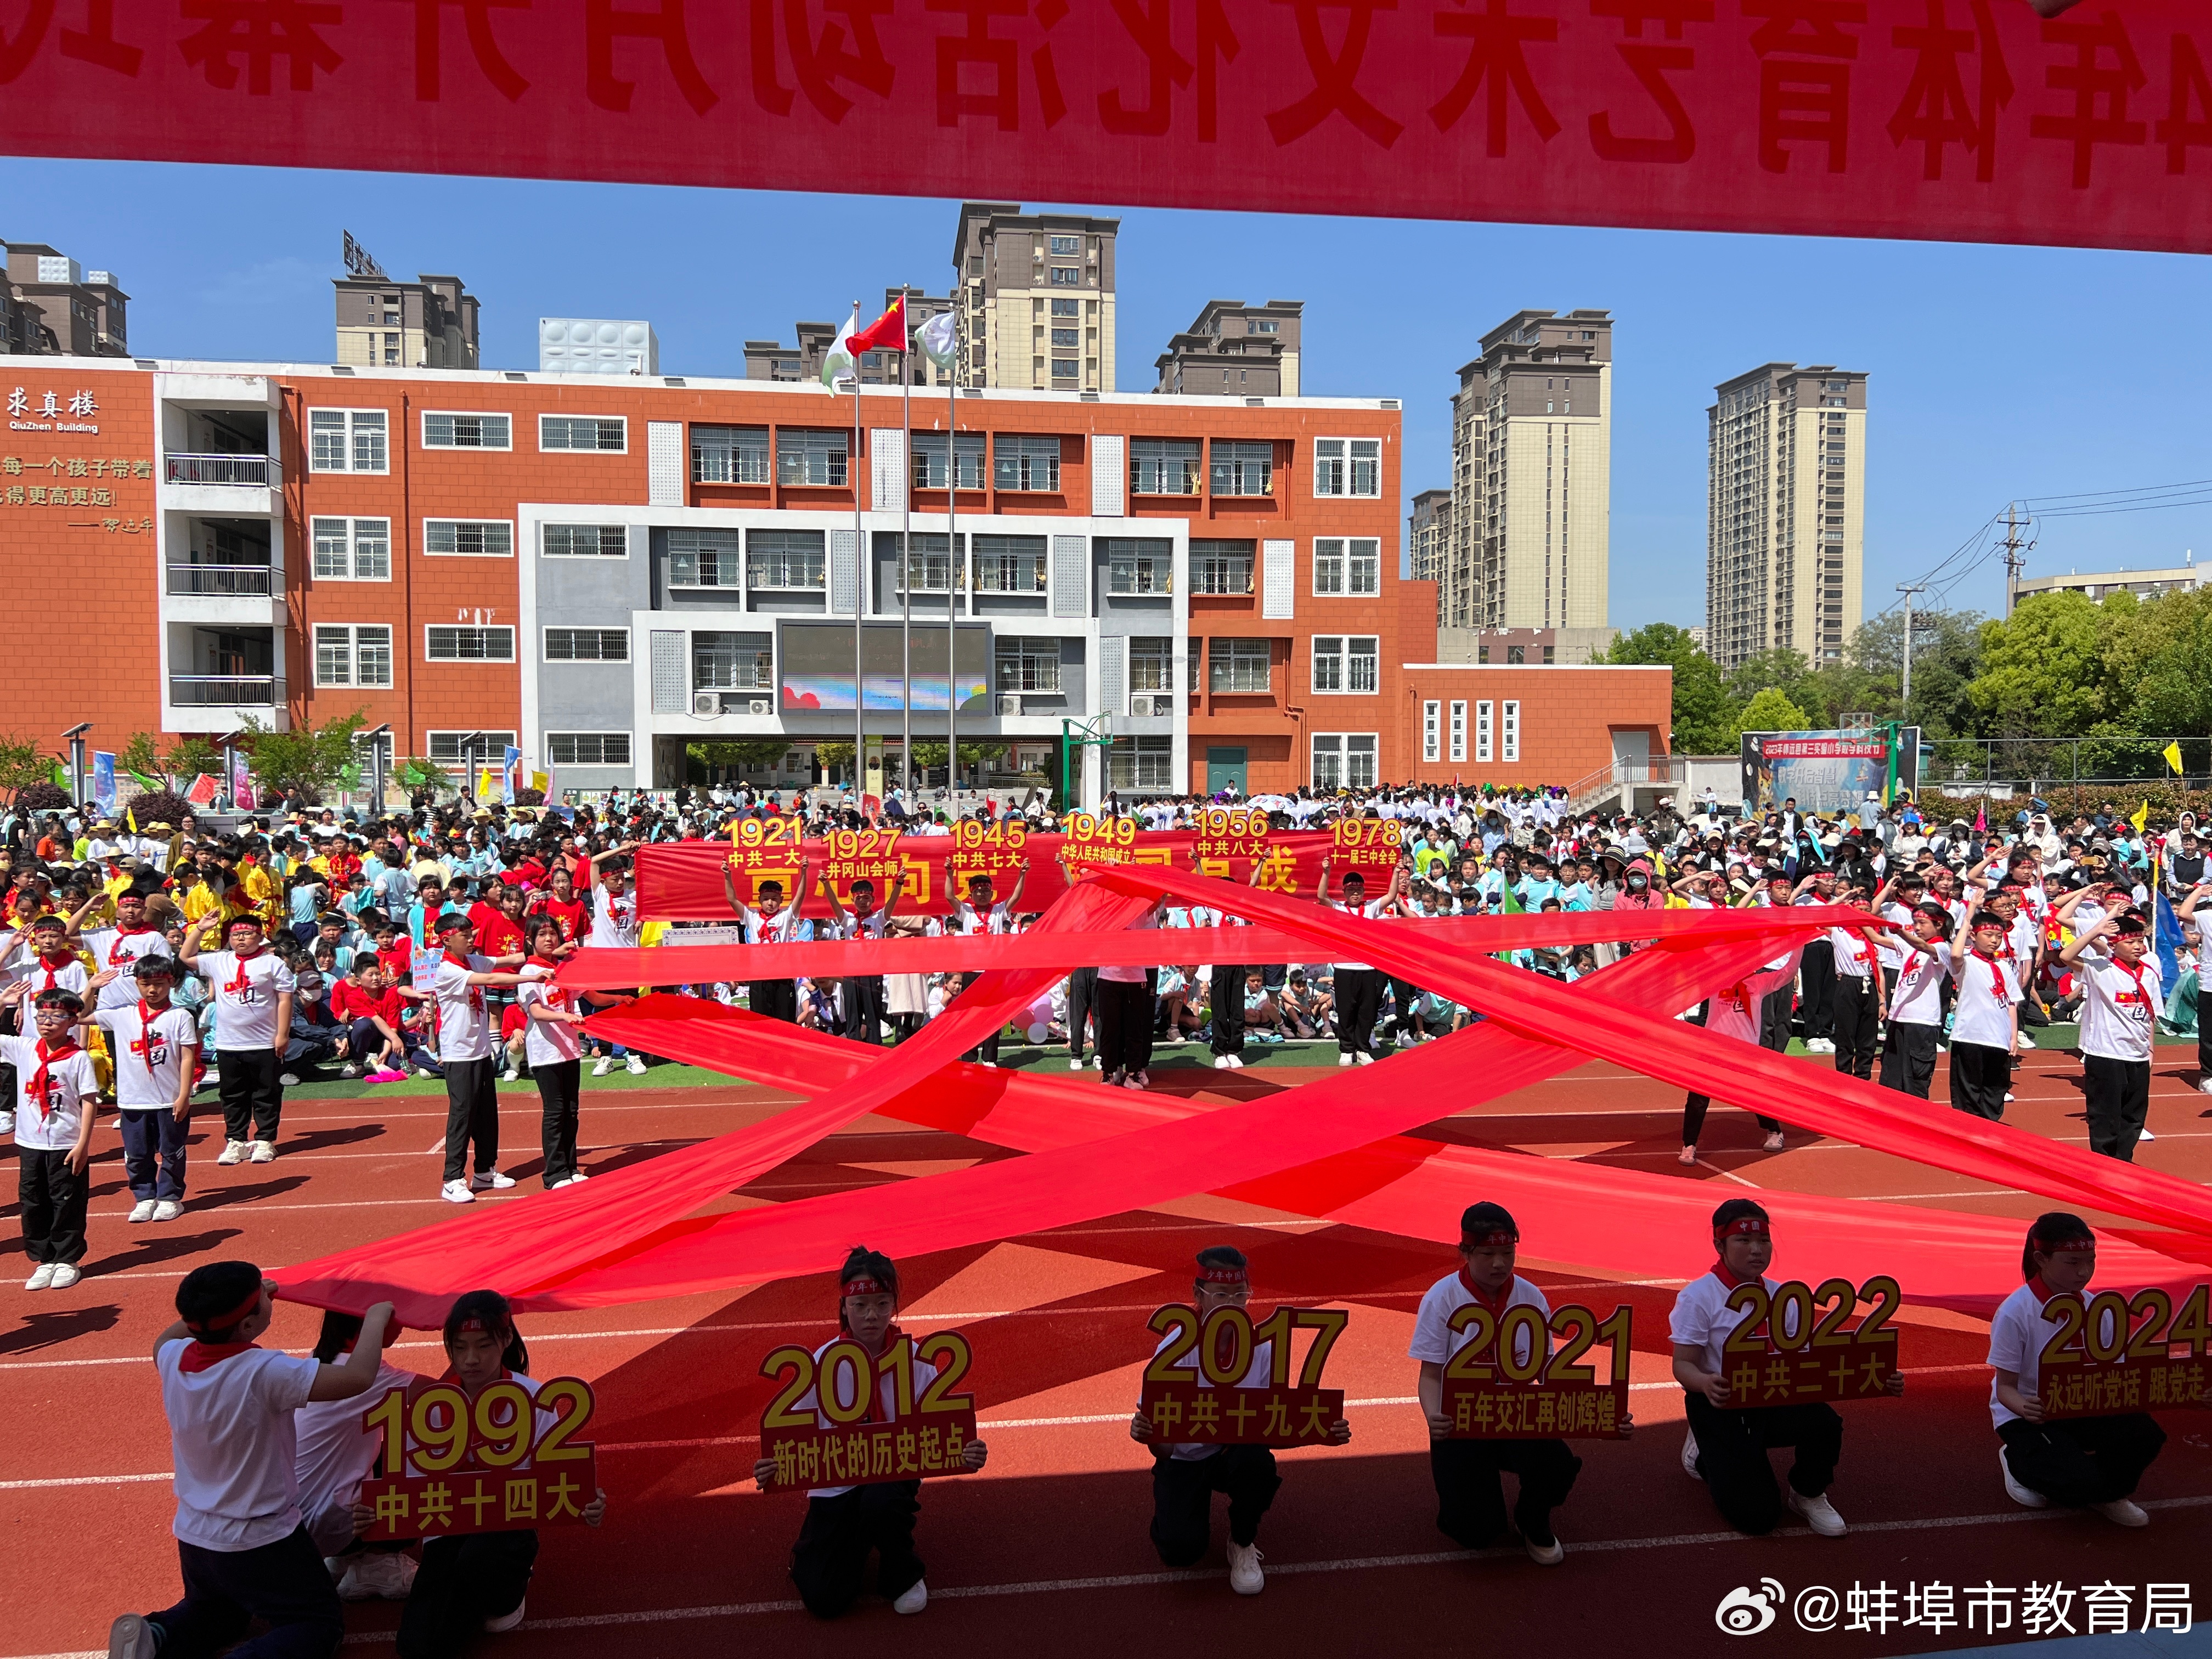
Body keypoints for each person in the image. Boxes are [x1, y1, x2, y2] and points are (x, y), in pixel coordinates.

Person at [106, 1262, 397, 1659]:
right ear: (246, 1326)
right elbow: (359, 1378)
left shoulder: (173, 1357)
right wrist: (376, 1318)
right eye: (260, 1293)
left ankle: (157, 1635)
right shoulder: (264, 1372)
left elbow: (168, 1336)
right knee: (317, 1624)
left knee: (217, 1612)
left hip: (195, 1534)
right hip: (261, 1537)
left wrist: (239, 1305)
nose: (266, 1291)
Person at [751, 1248, 988, 1618]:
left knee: (881, 1502)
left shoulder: (916, 1361)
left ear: (894, 1304)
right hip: (837, 1480)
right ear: (844, 1307)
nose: (872, 1315)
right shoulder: (821, 1363)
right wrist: (774, 1464)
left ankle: (903, 1572)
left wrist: (967, 1451)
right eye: (860, 1305)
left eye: (882, 1303)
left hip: (892, 1478)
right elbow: (792, 1431)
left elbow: (943, 1430)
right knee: (825, 1601)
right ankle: (851, 1538)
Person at [391, 1291, 607, 1658]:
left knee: (477, 1562)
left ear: (506, 1341)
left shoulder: (536, 1399)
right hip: (447, 1528)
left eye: (484, 1346)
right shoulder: (431, 1408)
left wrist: (588, 1501)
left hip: (507, 1528)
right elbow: (410, 1489)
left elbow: (561, 1481)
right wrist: (374, 1515)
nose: (471, 1359)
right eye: (460, 1348)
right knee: (413, 1646)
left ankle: (508, 1596)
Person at [1670, 1199, 1902, 1537]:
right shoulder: (1699, 1297)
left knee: (1825, 1424)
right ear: (1720, 1245)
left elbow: (1809, 1362)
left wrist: (1880, 1377)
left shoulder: (1785, 1296)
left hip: (1772, 1394)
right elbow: (1682, 1364)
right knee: (1758, 1519)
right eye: (1744, 1241)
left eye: (1763, 1241)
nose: (1756, 1250)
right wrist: (1705, 1384)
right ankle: (1703, 1452)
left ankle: (1807, 1493)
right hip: (1721, 1403)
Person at [1130, 1246, 1351, 1594]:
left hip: (1230, 1452)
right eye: (1221, 1295)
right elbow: (1163, 1447)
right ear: (1198, 1295)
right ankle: (1176, 1511)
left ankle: (1243, 1540)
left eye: (1240, 1295)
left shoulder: (1260, 1348)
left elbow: (1268, 1423)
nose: (1232, 1304)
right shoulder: (1175, 1348)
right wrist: (1148, 1434)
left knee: (1257, 1465)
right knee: (1181, 1551)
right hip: (1185, 1458)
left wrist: (1322, 1430)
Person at [1412, 1204, 1616, 1565]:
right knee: (1474, 1534)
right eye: (1488, 1254)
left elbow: (1548, 1370)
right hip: (1462, 1421)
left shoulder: (1531, 1296)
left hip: (1514, 1413)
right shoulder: (1441, 1298)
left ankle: (1532, 1518)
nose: (1499, 1264)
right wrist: (1434, 1417)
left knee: (1558, 1465)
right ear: (1466, 1252)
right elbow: (1430, 1375)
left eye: (1507, 1253)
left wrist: (1600, 1414)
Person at [1988, 1213, 2166, 1524]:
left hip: (2083, 1404)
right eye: (2072, 1262)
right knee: (2070, 1485)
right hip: (2030, 1414)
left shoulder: (2100, 1308)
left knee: (2145, 1434)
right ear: (2041, 1259)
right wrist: (2024, 1408)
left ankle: (2108, 1493)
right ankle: (2016, 1460)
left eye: (2090, 1261)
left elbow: (2119, 1374)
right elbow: (2005, 1388)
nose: (2084, 1271)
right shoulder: (2015, 1313)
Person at [294, 1309, 417, 1600]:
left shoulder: (321, 1361)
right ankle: (374, 1562)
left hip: (297, 1517)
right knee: (429, 1454)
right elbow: (445, 1395)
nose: (403, 1323)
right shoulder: (366, 1376)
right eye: (393, 1316)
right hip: (326, 1523)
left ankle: (348, 1557)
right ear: (367, 1324)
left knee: (396, 1446)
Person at [419, 912, 530, 1204]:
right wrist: (533, 976)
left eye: (471, 934)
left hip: (481, 1050)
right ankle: (452, 1178)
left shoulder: (472, 960)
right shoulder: (447, 970)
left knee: (487, 1114)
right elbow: (492, 977)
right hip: (460, 1053)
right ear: (447, 939)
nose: (471, 939)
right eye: (465, 935)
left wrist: (544, 952)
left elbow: (507, 960)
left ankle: (485, 1170)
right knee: (462, 1114)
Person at [516, 918, 628, 1189]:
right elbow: (535, 1012)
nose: (549, 939)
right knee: (555, 1112)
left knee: (571, 1112)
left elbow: (591, 996)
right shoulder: (529, 973)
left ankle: (571, 1167)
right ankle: (554, 1174)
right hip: (546, 1053)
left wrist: (617, 999)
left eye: (553, 933)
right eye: (541, 934)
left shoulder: (562, 969)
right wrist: (565, 1015)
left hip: (569, 1050)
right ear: (530, 940)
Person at [179, 912, 296, 1166]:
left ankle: (265, 1139)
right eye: (235, 935)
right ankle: (236, 1140)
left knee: (266, 1092)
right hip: (228, 1043)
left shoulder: (273, 964)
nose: (241, 939)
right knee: (232, 1094)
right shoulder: (219, 961)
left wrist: (282, 1034)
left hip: (265, 1041)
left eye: (247, 934)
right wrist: (200, 929)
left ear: (260, 936)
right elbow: (186, 957)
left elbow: (285, 999)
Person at [2, 985, 100, 1289]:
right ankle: (45, 1259)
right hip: (30, 1142)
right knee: (32, 1201)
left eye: (56, 1016)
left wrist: (83, 1144)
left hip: (65, 1142)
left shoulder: (78, 1058)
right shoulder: (26, 1048)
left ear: (72, 1021)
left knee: (66, 1201)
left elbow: (89, 1101)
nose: (47, 1021)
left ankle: (67, 1258)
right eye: (41, 1015)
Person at [91, 955, 200, 1221]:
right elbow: (79, 1017)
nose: (153, 990)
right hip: (133, 1101)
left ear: (171, 982)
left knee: (172, 1151)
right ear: (137, 984)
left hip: (168, 1099)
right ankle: (145, 1196)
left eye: (159, 983)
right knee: (137, 1154)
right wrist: (91, 988)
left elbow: (187, 1057)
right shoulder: (121, 1015)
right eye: (146, 984)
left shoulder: (180, 1016)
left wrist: (184, 1095)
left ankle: (170, 1197)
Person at [1678, 946, 1799, 1165]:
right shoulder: (1715, 978)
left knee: (1756, 1095)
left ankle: (1774, 1131)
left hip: (1745, 1052)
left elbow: (1788, 973)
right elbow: (1692, 962)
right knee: (1697, 1098)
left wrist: (1800, 944)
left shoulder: (1759, 983)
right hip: (1714, 1048)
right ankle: (1689, 1145)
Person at [2058, 913, 2160, 1160]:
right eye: (2131, 942)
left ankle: (2124, 1159)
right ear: (2113, 944)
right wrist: (2096, 931)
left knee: (2134, 1115)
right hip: (2105, 1054)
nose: (2138, 947)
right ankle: (2104, 1161)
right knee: (2105, 1113)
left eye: (2141, 941)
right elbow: (2066, 956)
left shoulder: (2149, 974)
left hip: (2137, 1055)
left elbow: (2150, 1017)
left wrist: (2150, 1051)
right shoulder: (2099, 968)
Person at [1316, 857, 1396, 1066]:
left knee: (1366, 1010)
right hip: (1344, 968)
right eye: (1351, 891)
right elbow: (1321, 896)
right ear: (1344, 892)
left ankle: (1362, 1048)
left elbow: (1391, 896)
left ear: (1363, 892)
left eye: (1359, 890)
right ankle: (1346, 1049)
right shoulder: (1338, 908)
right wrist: (1326, 872)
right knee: (1346, 1009)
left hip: (1368, 968)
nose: (1355, 894)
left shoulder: (1370, 908)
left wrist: (1395, 872)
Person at [819, 862, 905, 1046]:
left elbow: (892, 903)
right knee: (853, 1017)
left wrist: (899, 883)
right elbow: (834, 905)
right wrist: (826, 884)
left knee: (873, 1016)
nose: (863, 902)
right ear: (853, 900)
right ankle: (854, 1052)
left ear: (873, 899)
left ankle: (875, 1051)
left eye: (867, 898)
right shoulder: (848, 920)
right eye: (859, 898)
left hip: (873, 974)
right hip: (852, 974)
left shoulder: (879, 918)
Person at [1948, 909, 2021, 1120]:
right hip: (1970, 1035)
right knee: (1968, 1088)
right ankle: (1969, 1127)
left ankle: (1989, 1126)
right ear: (1973, 935)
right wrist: (1968, 919)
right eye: (1988, 935)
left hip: (1998, 1037)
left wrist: (2013, 1036)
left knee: (1996, 1087)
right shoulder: (1968, 963)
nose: (1994, 941)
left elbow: (2011, 1003)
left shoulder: (2004, 967)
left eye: (1999, 936)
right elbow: (1955, 954)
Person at [721, 857, 812, 1024]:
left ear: (781, 900)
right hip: (760, 978)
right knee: (761, 1023)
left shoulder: (785, 917)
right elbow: (732, 899)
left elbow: (800, 896)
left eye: (774, 899)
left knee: (785, 1022)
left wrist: (804, 872)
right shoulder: (752, 917)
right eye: (766, 898)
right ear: (760, 900)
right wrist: (728, 876)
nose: (770, 903)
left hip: (782, 978)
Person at [1876, 906, 1951, 1099]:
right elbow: (1877, 939)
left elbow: (1924, 947)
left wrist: (1901, 931)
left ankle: (1917, 1122)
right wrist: (1860, 918)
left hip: (1921, 1022)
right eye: (1915, 923)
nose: (1917, 927)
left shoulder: (1942, 948)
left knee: (1915, 1079)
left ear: (1939, 925)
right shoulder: (1909, 945)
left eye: (1922, 923)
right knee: (1891, 1077)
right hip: (1898, 1018)